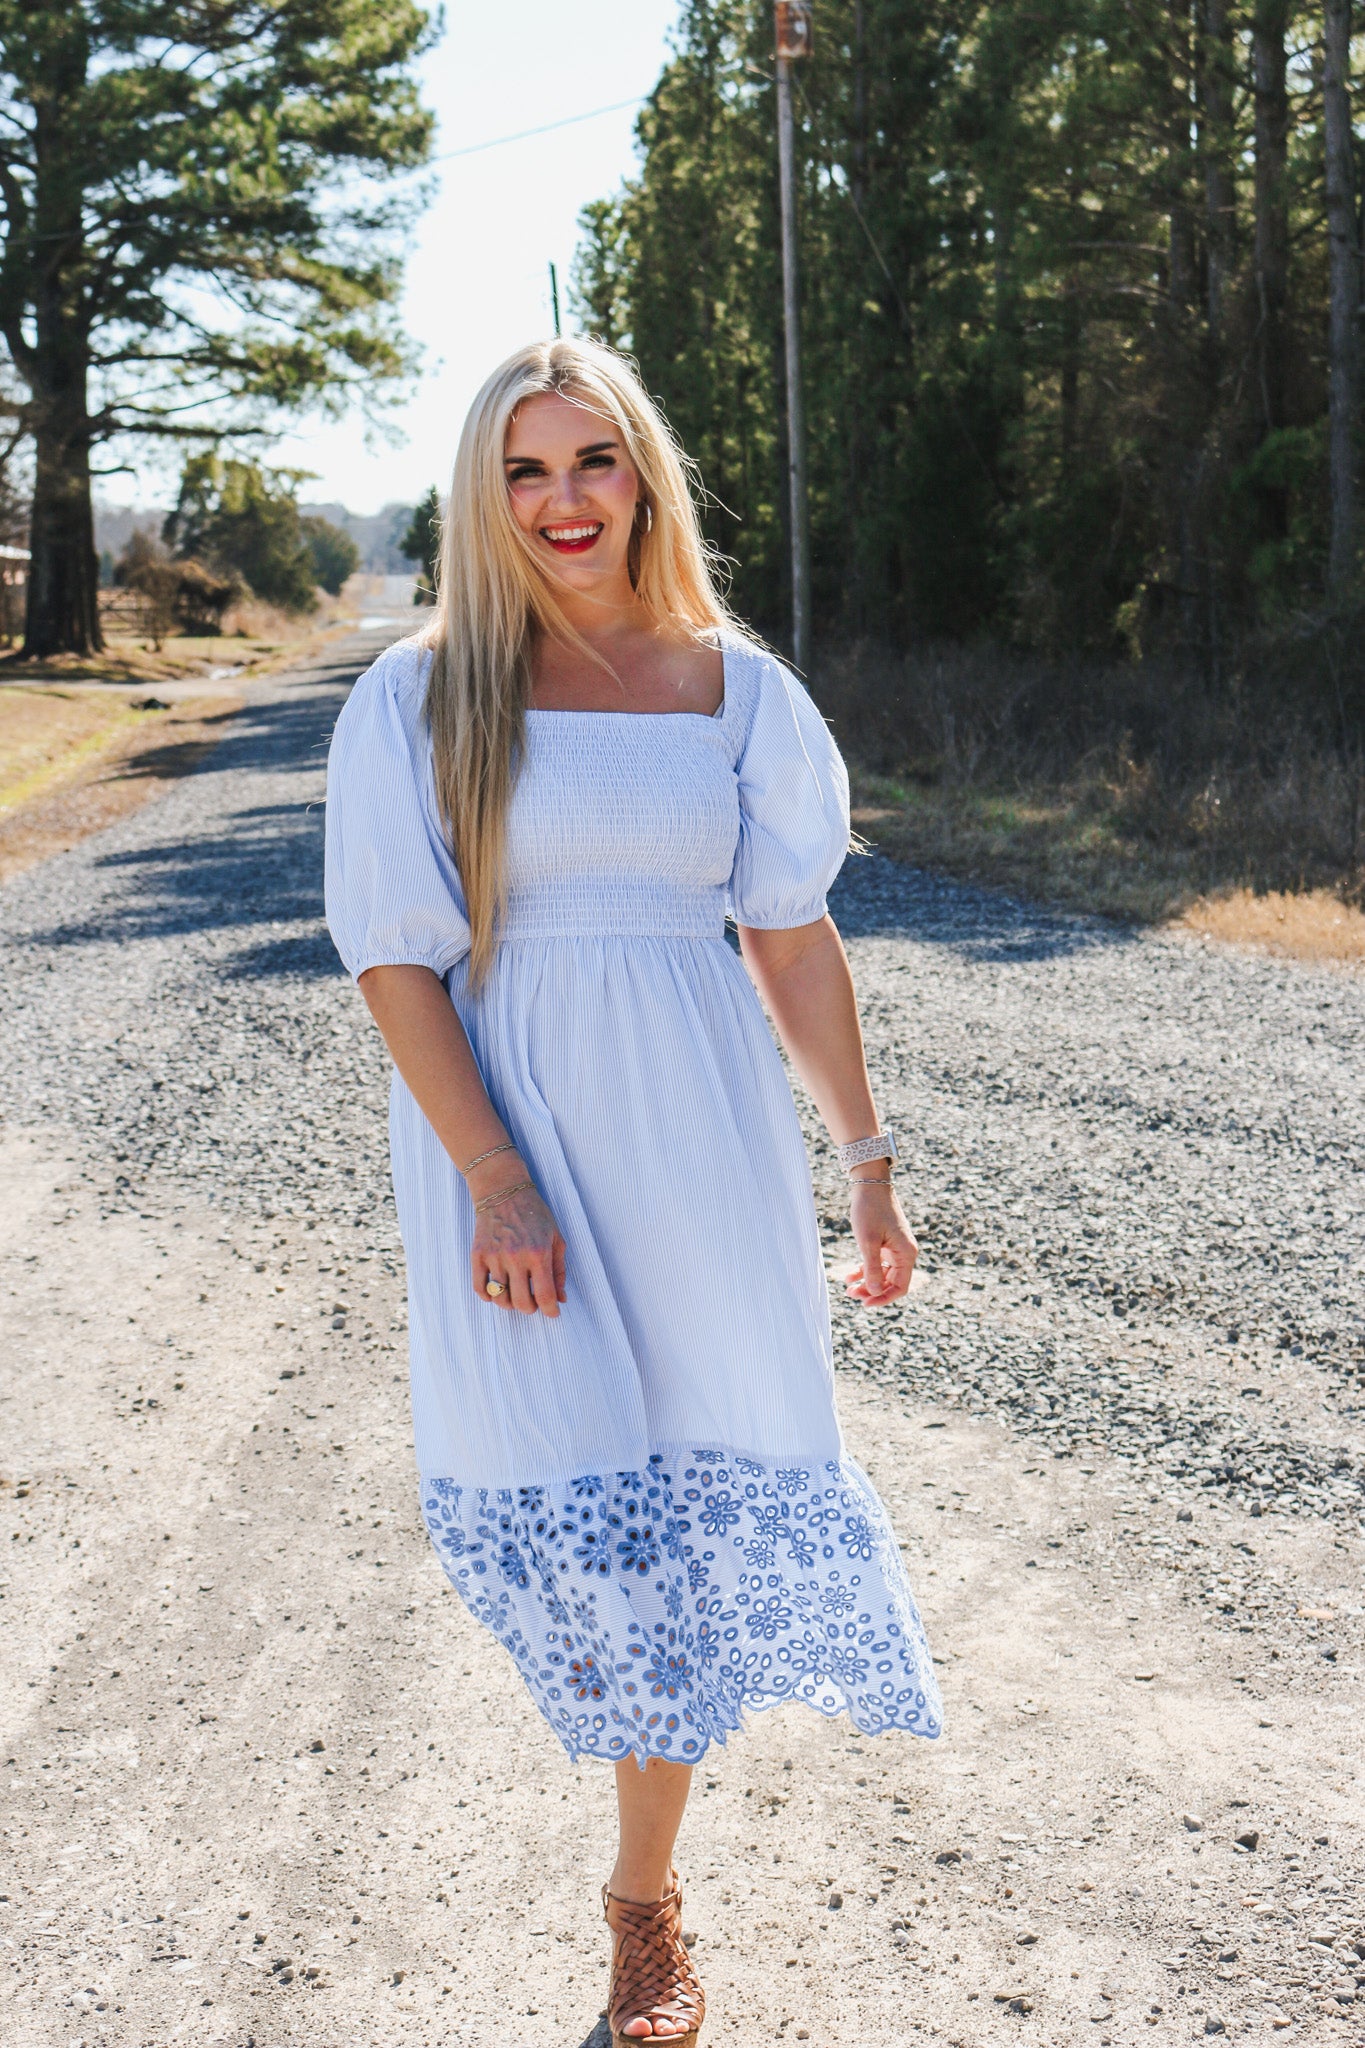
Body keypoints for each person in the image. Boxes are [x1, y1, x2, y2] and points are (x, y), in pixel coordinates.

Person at [324, 337, 941, 2046]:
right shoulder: (423, 693)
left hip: (704, 1149)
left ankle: (643, 1900)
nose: (562, 501)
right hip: (515, 1141)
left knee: (684, 1509)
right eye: (523, 471)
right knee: (582, 1502)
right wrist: (495, 1183)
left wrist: (866, 1165)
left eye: (591, 462)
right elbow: (394, 961)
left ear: (644, 476)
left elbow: (790, 935)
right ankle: (639, 1865)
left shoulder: (734, 689)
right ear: (480, 496)